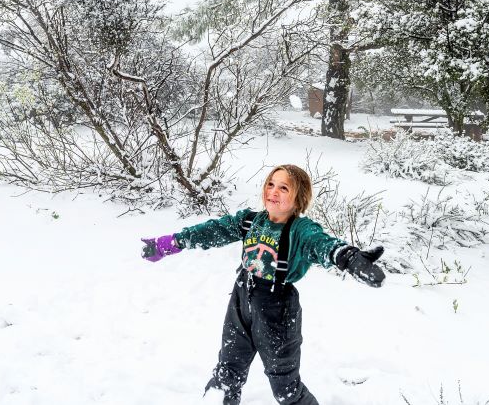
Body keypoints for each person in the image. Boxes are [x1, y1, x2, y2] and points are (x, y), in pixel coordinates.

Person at [141, 164, 385, 405]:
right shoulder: (250, 221)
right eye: (270, 184)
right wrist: (173, 242)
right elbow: (213, 230)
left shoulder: (301, 230)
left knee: (286, 389)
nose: (273, 192)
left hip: (277, 309)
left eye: (283, 188)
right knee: (227, 373)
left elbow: (322, 244)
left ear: (298, 198)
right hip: (241, 299)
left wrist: (348, 256)